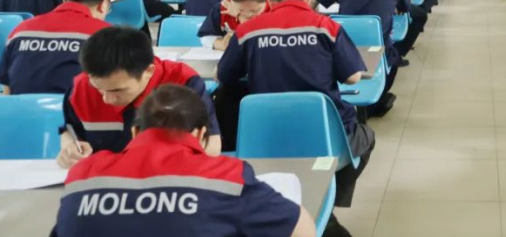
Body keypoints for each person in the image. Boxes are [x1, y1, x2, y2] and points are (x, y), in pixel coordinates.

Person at [52, 83, 315, 237]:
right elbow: (301, 229)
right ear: (200, 134)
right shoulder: (227, 177)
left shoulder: (83, 175)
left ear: (134, 131)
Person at [216, 0, 374, 224]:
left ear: (270, 1)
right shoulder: (326, 26)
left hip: (264, 135)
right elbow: (353, 78)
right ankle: (325, 200)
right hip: (322, 133)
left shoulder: (247, 31)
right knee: (366, 136)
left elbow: (223, 76)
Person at [56, 27, 221, 169]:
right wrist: (70, 148)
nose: (107, 99)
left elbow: (212, 146)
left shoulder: (183, 83)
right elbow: (70, 131)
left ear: (148, 71)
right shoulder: (80, 88)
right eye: (98, 89)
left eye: (117, 90)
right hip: (103, 183)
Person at [312, 0, 414, 112]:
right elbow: (405, 8)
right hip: (377, 49)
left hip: (341, 48)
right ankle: (377, 104)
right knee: (394, 58)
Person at [0, 0, 112, 94]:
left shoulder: (20, 30)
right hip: (73, 106)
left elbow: (7, 91)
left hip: (19, 106)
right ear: (104, 4)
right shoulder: (107, 35)